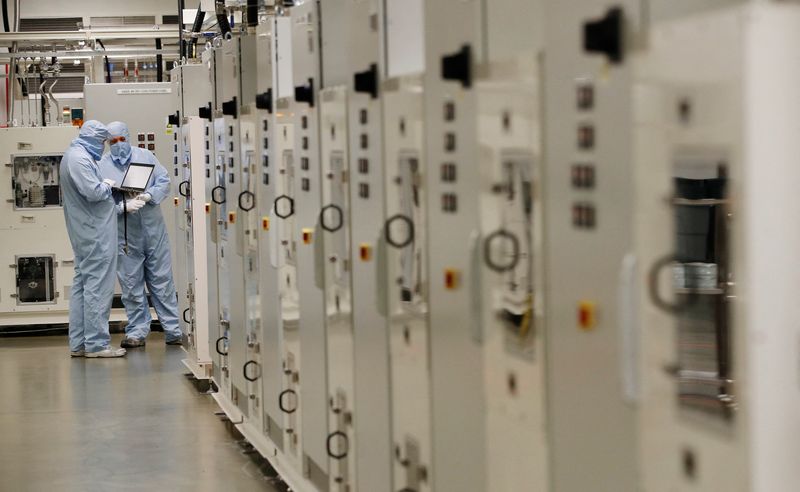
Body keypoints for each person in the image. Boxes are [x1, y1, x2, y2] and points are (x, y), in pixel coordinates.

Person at [99, 121, 183, 348]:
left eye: (121, 139)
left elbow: (164, 181)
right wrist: (122, 206)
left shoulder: (145, 157)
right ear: (107, 143)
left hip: (153, 229)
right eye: (112, 141)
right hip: (125, 233)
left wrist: (148, 196)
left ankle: (173, 330)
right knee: (131, 284)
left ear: (128, 137)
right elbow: (100, 199)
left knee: (162, 281)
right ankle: (137, 331)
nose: (118, 144)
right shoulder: (102, 165)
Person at [60, 120, 126, 358]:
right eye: (102, 142)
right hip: (94, 234)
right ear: (94, 140)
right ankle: (97, 345)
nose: (103, 147)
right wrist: (107, 185)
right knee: (98, 288)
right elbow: (94, 193)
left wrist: (117, 207)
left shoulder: (77, 155)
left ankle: (79, 343)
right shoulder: (79, 158)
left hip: (88, 230)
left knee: (83, 287)